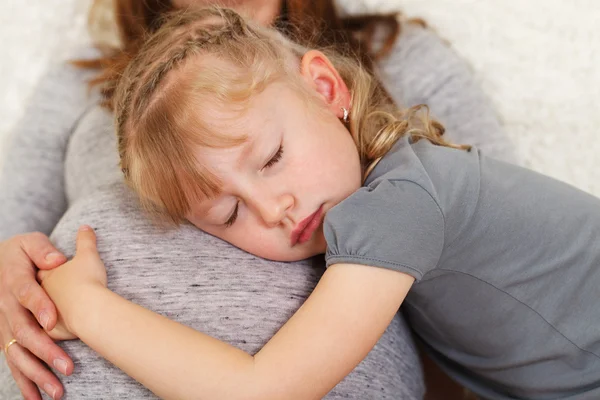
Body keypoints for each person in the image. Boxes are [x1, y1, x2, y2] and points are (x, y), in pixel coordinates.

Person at [37, 6, 600, 400]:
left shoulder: (399, 206)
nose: (272, 208)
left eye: (272, 157)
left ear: (327, 90)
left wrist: (87, 306)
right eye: (227, 215)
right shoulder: (393, 192)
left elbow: (261, 390)